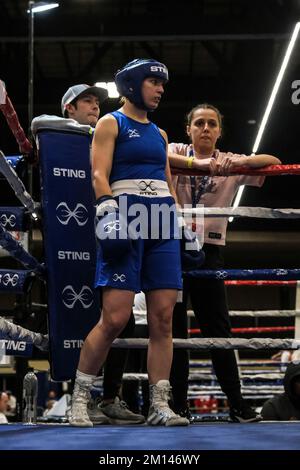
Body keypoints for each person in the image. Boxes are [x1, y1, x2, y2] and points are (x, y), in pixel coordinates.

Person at [69, 58, 194, 427]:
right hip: (126, 216)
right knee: (116, 317)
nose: (160, 89)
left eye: (162, 85)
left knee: (163, 319)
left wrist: (179, 222)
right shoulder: (111, 123)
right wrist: (108, 212)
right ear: (134, 83)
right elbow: (98, 174)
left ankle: (160, 404)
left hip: (161, 222)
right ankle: (80, 399)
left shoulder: (159, 134)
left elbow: (167, 183)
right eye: (154, 82)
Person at [169, 103, 281, 422]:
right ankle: (177, 404)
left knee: (218, 327)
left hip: (209, 250)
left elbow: (273, 162)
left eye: (212, 124)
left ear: (219, 131)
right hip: (172, 247)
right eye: (199, 123)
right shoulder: (175, 150)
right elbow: (157, 156)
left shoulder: (228, 160)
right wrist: (197, 165)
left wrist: (236, 164)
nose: (205, 128)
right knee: (174, 330)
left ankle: (236, 403)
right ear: (188, 129)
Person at [61, 84, 144, 425]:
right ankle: (78, 399)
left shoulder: (110, 132)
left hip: (108, 232)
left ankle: (110, 397)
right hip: (74, 239)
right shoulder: (60, 135)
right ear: (69, 108)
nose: (94, 106)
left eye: (97, 101)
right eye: (87, 101)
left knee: (122, 319)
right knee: (89, 320)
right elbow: (39, 123)